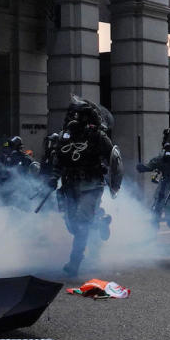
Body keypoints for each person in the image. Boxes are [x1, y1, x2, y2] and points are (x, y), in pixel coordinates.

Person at [48, 100, 114, 276]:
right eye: (74, 115)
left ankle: (74, 262)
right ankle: (100, 221)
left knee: (82, 223)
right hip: (70, 186)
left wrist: (108, 173)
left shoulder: (98, 136)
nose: (76, 119)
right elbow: (58, 159)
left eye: (80, 115)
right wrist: (54, 178)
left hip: (91, 186)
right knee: (72, 226)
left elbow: (113, 158)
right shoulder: (66, 136)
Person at [137, 128, 170, 253]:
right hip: (165, 188)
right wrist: (144, 167)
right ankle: (150, 239)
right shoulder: (165, 154)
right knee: (156, 213)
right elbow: (155, 163)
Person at [0, 135, 38, 207]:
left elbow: (33, 175)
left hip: (21, 190)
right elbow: (0, 173)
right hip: (7, 189)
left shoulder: (26, 159)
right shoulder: (5, 158)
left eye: (11, 146)